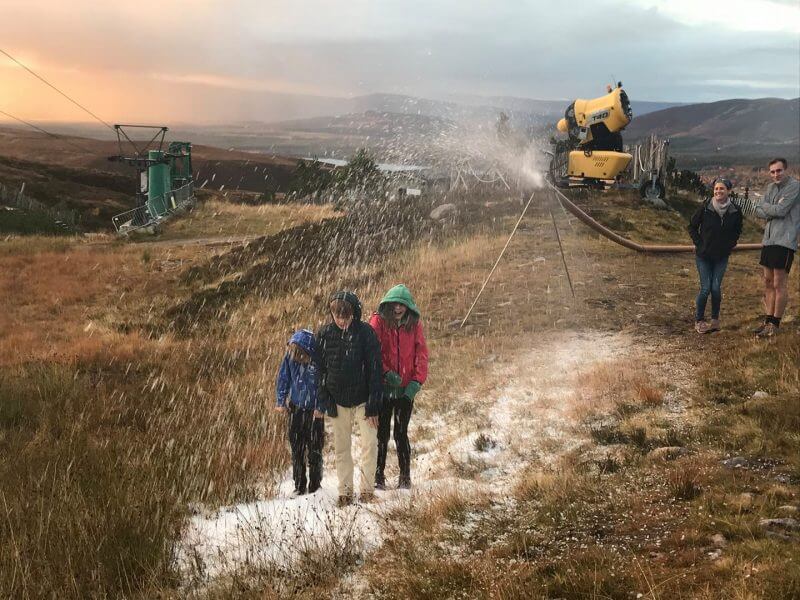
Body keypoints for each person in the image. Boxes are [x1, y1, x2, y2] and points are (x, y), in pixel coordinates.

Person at [316, 291, 382, 506]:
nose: (342, 321)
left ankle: (367, 490)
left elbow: (375, 369)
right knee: (342, 447)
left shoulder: (366, 333)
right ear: (332, 314)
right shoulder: (324, 334)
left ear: (354, 313)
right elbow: (318, 370)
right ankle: (345, 492)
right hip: (337, 400)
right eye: (338, 316)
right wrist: (324, 399)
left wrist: (373, 405)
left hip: (364, 399)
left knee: (370, 444)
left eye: (346, 316)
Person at [369, 285, 429, 490]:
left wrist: (414, 384)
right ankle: (378, 476)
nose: (397, 308)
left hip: (405, 391)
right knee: (382, 434)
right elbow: (372, 352)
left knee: (401, 433)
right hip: (384, 390)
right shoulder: (378, 322)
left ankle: (405, 477)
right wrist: (385, 372)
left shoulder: (415, 324)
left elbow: (421, 355)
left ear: (408, 306)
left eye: (401, 305)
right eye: (394, 304)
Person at [687, 178, 743, 333]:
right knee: (706, 289)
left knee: (716, 288)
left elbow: (737, 231)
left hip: (721, 257)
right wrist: (700, 244)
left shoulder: (735, 211)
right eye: (716, 189)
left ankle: (715, 319)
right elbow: (691, 226)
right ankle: (699, 320)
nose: (718, 191)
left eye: (722, 189)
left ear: (729, 191)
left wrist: (730, 245)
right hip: (703, 256)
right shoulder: (705, 208)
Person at [275, 329, 324, 497]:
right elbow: (283, 378)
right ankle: (299, 484)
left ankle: (315, 485)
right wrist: (281, 401)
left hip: (314, 412)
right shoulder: (289, 357)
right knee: (297, 449)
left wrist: (320, 406)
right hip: (295, 408)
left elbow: (324, 385)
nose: (297, 358)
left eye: (300, 355)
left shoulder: (317, 360)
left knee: (314, 450)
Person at [754, 158, 800, 337]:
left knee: (779, 283)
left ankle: (775, 323)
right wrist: (770, 208)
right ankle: (767, 320)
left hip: (784, 241)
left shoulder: (794, 186)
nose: (776, 174)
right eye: (772, 172)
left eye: (779, 171)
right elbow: (758, 211)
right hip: (769, 240)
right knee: (767, 281)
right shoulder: (770, 188)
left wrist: (766, 207)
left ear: (786, 170)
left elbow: (780, 211)